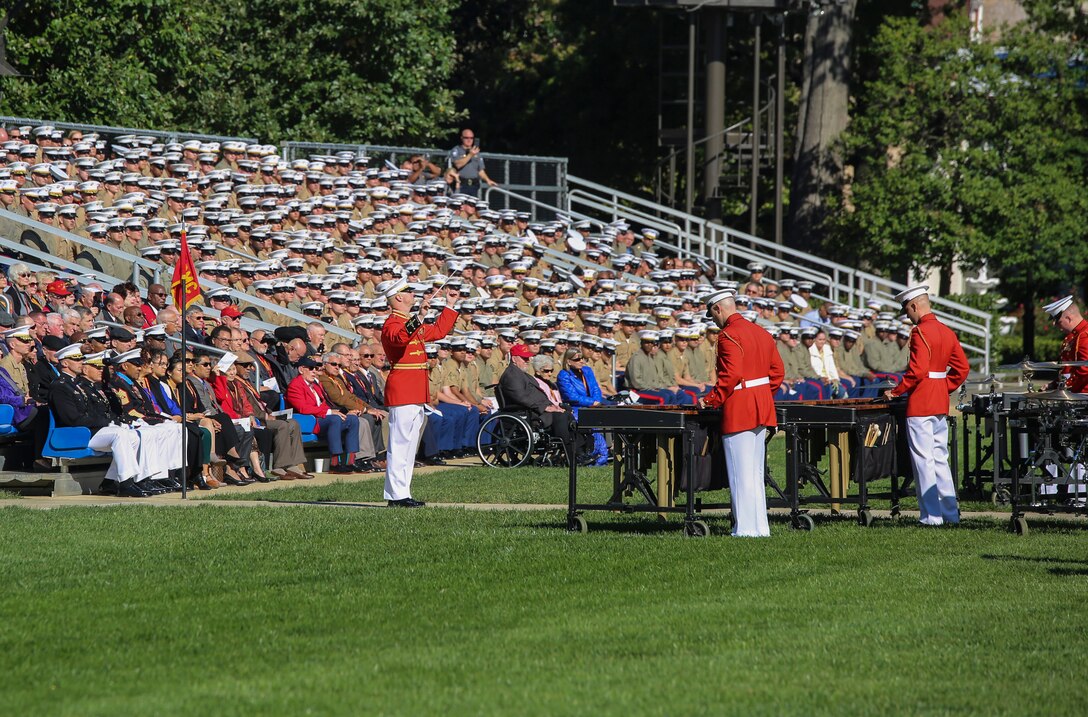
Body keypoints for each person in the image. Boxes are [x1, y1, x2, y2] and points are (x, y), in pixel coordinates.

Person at [699, 289, 784, 538]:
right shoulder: (761, 332)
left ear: (718, 309)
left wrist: (711, 399)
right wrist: (761, 395)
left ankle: (745, 529)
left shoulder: (728, 335)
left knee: (740, 472)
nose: (714, 321)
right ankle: (760, 527)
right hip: (761, 405)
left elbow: (731, 374)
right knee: (755, 472)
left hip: (740, 407)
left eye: (713, 315)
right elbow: (777, 372)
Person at [884, 286, 969, 526]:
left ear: (913, 306)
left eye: (907, 310)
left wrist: (896, 391)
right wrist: (943, 387)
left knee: (924, 460)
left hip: (921, 402)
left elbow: (917, 371)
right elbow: (962, 368)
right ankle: (950, 513)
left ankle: (931, 516)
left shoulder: (920, 332)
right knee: (940, 458)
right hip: (940, 402)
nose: (908, 316)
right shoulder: (947, 331)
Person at [380, 277, 460, 507]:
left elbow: (439, 331)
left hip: (414, 390)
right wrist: (420, 316)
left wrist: (449, 305)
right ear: (398, 297)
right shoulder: (392, 323)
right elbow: (400, 337)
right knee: (399, 444)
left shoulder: (408, 322)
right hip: (403, 389)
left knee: (409, 445)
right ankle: (396, 495)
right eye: (408, 292)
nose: (412, 295)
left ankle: (403, 493)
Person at [498, 344, 586, 462]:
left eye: (528, 358)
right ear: (514, 359)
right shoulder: (511, 375)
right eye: (524, 358)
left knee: (567, 413)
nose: (527, 361)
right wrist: (545, 407)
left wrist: (553, 405)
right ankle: (571, 455)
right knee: (561, 417)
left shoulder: (521, 374)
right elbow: (521, 398)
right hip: (526, 412)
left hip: (536, 409)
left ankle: (579, 452)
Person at [1041, 295, 1088, 505]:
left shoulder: (1085, 336)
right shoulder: (1071, 338)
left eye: (1058, 321)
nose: (1057, 326)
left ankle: (1078, 491)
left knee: (1079, 445)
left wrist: (1065, 389)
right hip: (1072, 398)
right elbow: (1067, 371)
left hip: (1082, 399)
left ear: (1068, 317)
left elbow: (1085, 371)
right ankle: (1055, 487)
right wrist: (1052, 386)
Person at [556, 348, 609, 465]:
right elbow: (571, 396)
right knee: (593, 427)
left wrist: (596, 402)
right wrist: (591, 403)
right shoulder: (564, 375)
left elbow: (595, 388)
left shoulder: (587, 371)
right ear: (569, 361)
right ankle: (593, 457)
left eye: (582, 358)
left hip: (593, 407)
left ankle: (604, 456)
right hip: (576, 409)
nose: (581, 361)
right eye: (577, 359)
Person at [447, 128, 497, 197]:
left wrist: (488, 180)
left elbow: (480, 171)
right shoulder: (457, 150)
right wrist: (470, 155)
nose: (469, 140)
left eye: (471, 138)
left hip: (474, 185)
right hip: (460, 184)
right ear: (461, 138)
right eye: (466, 138)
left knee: (472, 207)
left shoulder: (476, 152)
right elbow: (458, 164)